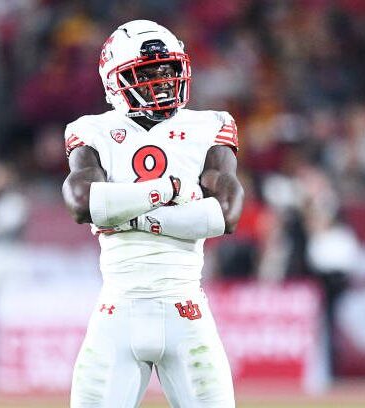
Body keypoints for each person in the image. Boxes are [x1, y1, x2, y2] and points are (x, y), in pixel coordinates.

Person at [61, 20, 244, 408]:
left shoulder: (210, 124)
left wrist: (132, 216)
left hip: (186, 312)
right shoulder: (92, 130)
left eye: (169, 70)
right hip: (117, 312)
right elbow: (82, 204)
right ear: (114, 80)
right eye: (147, 73)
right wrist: (171, 190)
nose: (161, 81)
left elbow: (226, 215)